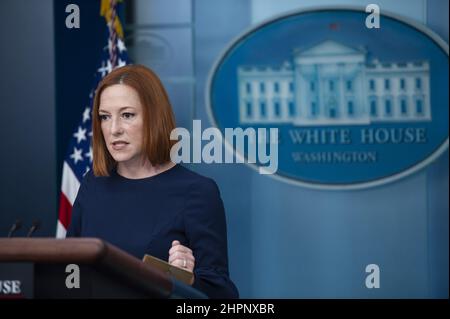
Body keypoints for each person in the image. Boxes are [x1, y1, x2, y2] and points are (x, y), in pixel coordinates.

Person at [66, 64, 239, 299]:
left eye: (127, 115)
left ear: (154, 117)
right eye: (105, 117)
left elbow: (223, 296)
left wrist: (187, 279)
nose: (114, 129)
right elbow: (69, 270)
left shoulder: (198, 192)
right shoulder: (93, 184)